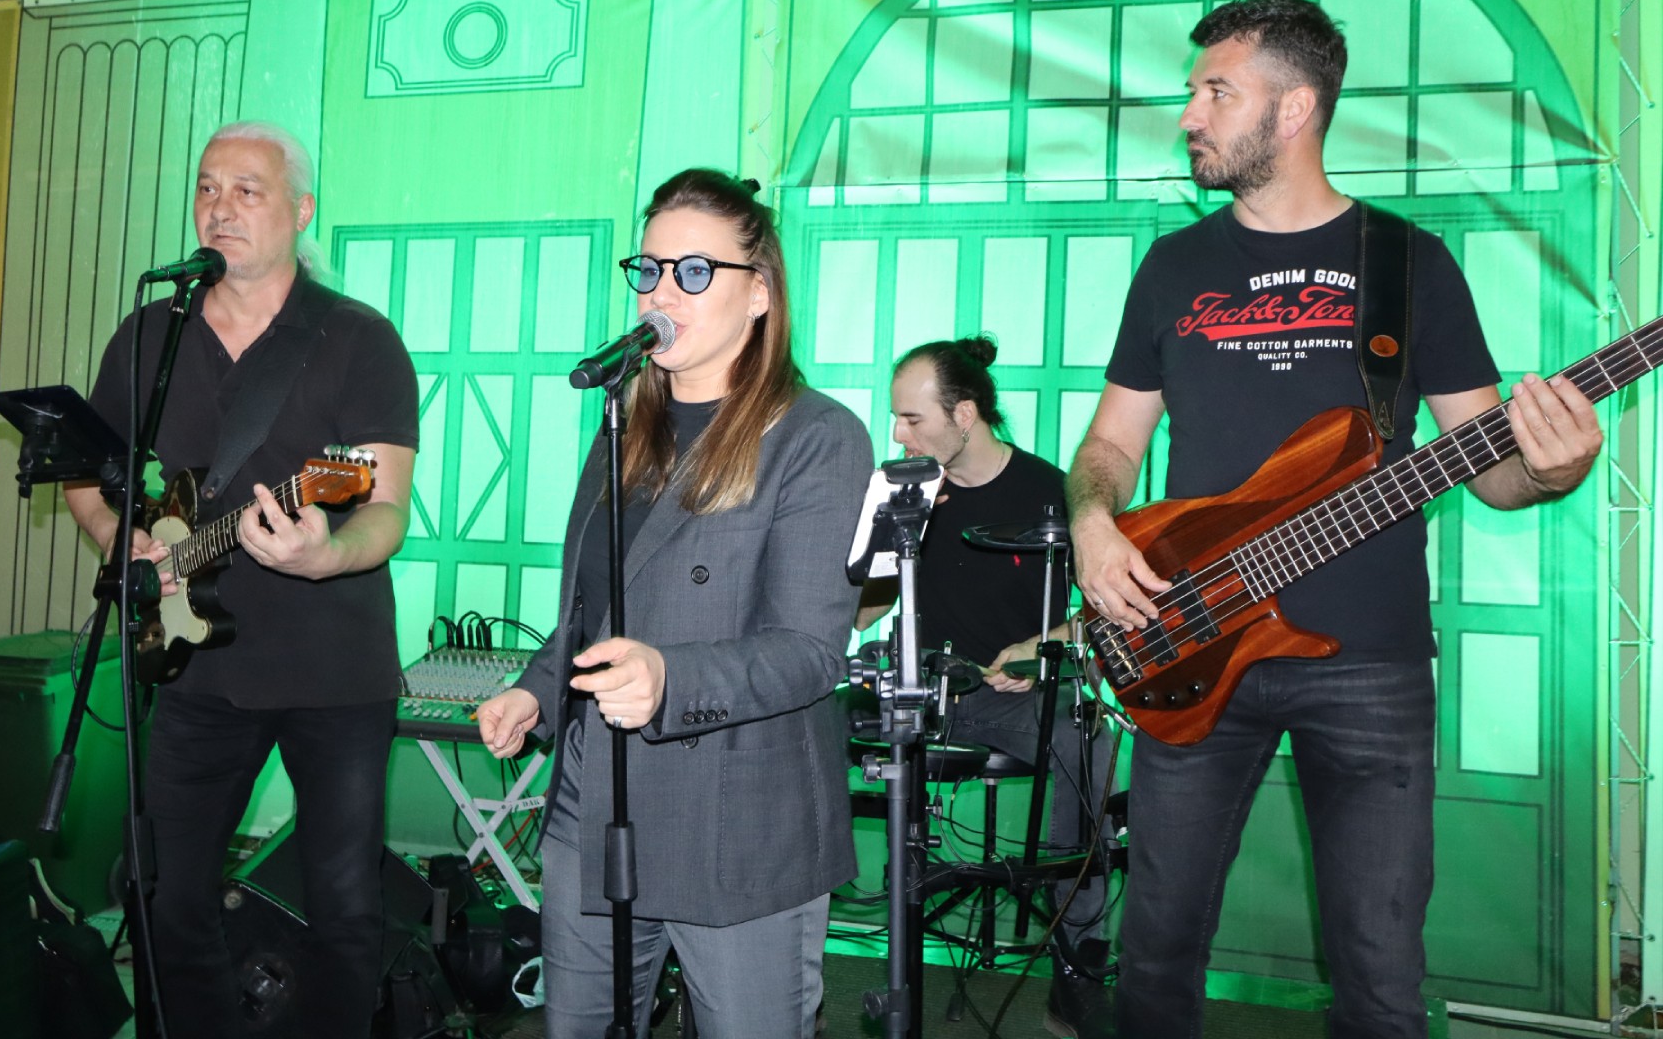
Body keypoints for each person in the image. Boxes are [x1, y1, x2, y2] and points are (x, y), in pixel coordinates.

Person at [1067, 0, 1602, 1039]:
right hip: (1190, 640)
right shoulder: (1174, 268)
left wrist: (1554, 471)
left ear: (1295, 107)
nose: (1189, 114)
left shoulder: (1409, 263)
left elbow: (1490, 468)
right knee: (1157, 950)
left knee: (1379, 972)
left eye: (1215, 91)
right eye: (1192, 92)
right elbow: (1110, 447)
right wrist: (1094, 525)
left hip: (1371, 664)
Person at [476, 169, 873, 1039]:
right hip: (596, 796)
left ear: (759, 293)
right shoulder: (623, 424)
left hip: (738, 815)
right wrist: (538, 691)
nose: (662, 292)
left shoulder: (816, 436)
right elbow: (594, 612)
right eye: (649, 269)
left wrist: (669, 679)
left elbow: (811, 650)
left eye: (694, 272)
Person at [65, 121, 418, 1038]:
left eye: (247, 190)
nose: (220, 207)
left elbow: (384, 508)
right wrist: (120, 540)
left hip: (334, 670)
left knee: (343, 904)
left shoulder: (358, 339)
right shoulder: (152, 334)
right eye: (207, 187)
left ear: (301, 211)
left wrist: (325, 553)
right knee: (164, 892)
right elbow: (85, 475)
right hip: (194, 666)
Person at [854, 336, 1115, 1039]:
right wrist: (871, 545)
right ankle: (794, 961)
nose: (898, 434)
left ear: (964, 415)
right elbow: (861, 612)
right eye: (896, 419)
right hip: (923, 689)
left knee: (1086, 740)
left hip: (1017, 694)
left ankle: (1077, 963)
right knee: (803, 715)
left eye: (912, 419)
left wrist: (1039, 646)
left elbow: (1106, 612)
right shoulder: (908, 491)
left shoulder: (1051, 492)